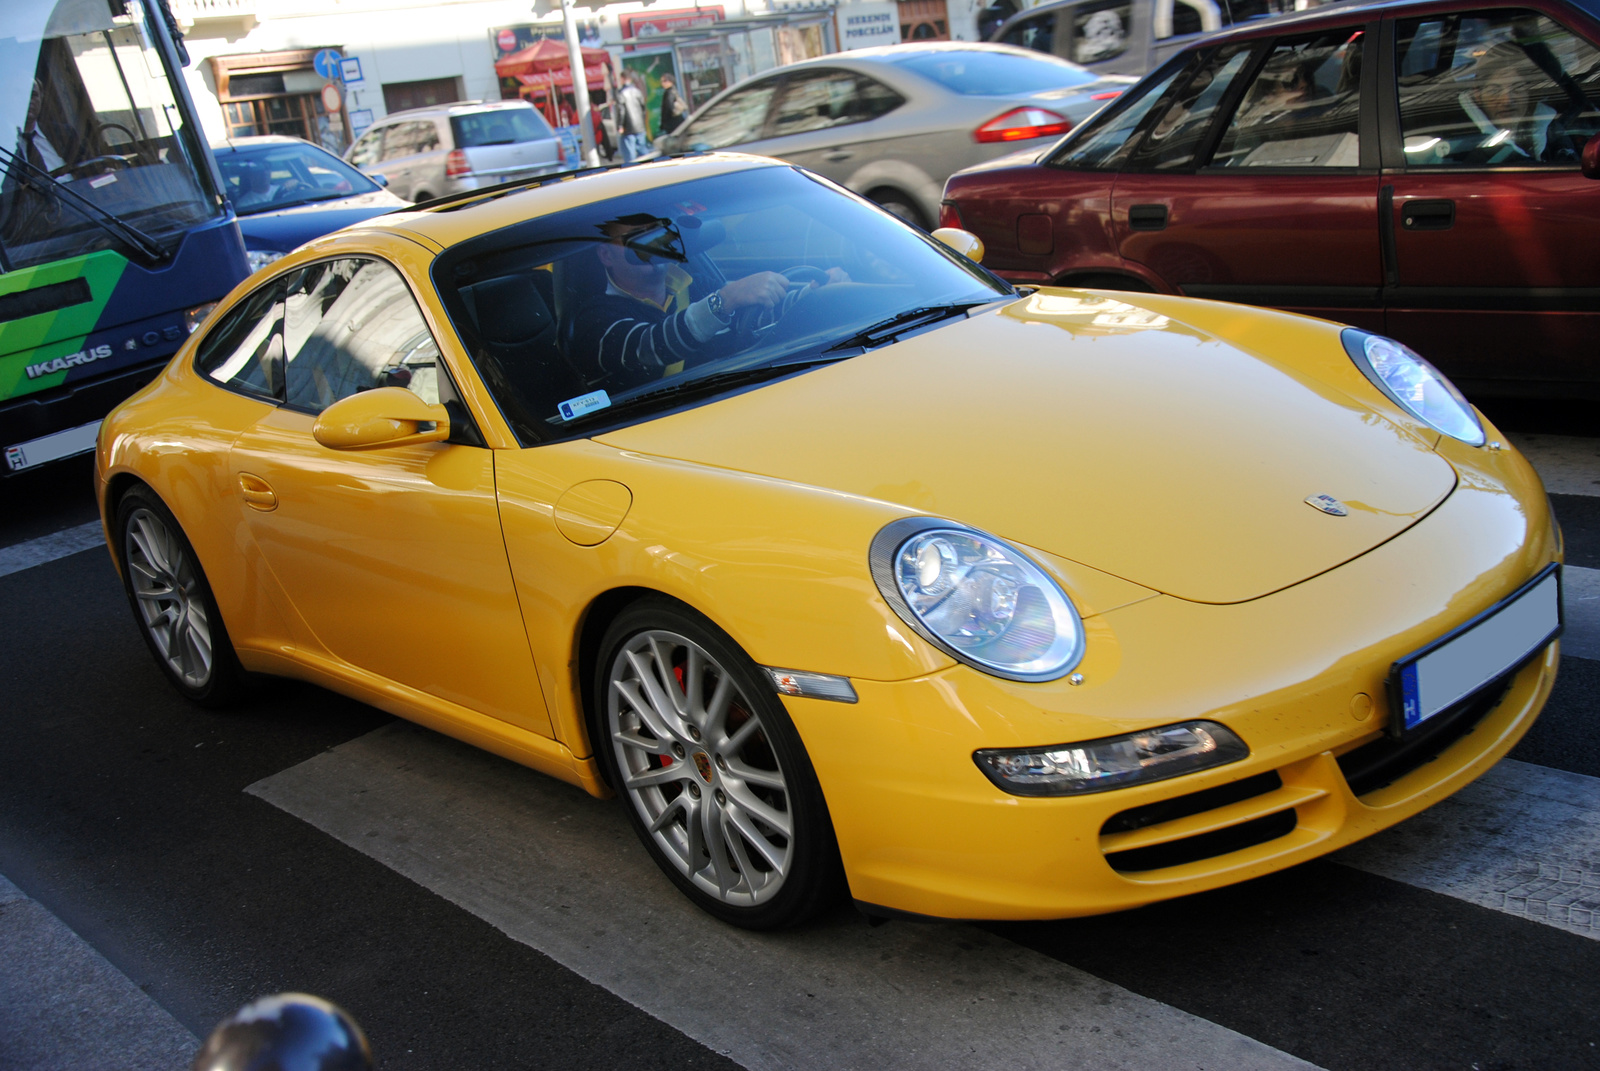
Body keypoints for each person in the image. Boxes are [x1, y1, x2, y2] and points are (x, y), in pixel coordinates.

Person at [567, 215, 847, 393]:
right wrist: (725, 299)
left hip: (741, 396)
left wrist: (816, 293)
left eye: (661, 235)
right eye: (640, 239)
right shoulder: (593, 319)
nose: (657, 245)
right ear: (606, 255)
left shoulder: (697, 284)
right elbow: (649, 347)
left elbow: (754, 318)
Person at [618, 72, 650, 162]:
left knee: (630, 153)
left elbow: (621, 111)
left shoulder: (621, 93)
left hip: (628, 127)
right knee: (643, 150)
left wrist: (620, 125)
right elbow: (643, 108)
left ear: (622, 79)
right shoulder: (637, 91)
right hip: (640, 125)